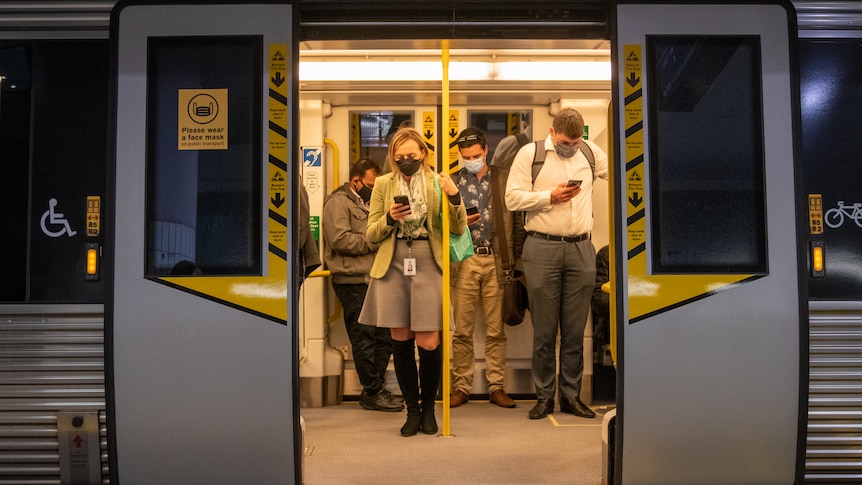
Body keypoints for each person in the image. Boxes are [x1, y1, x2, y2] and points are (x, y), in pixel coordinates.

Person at [358, 127, 468, 437]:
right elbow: (372, 234)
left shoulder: (438, 182)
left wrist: (454, 195)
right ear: (393, 157)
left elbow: (458, 227)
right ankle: (413, 410)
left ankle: (430, 409)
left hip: (427, 260)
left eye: (412, 155)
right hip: (394, 262)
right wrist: (391, 217)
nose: (407, 160)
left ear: (423, 154)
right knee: (401, 339)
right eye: (400, 156)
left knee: (429, 341)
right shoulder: (383, 184)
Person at [505, 107, 609, 420]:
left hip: (581, 248)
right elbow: (512, 198)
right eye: (565, 142)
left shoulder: (590, 152)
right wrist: (550, 196)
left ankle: (571, 396)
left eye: (575, 143)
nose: (570, 147)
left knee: (576, 330)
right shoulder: (530, 154)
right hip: (542, 247)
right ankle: (544, 397)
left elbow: (622, 171)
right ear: (552, 133)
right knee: (545, 332)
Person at [449, 127, 522, 409]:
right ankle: (461, 387)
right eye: (466, 156)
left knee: (495, 330)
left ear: (486, 150)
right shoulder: (452, 182)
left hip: (496, 260)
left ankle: (496, 386)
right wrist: (459, 224)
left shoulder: (503, 177)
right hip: (464, 259)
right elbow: (441, 223)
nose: (471, 160)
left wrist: (514, 262)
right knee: (462, 331)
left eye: (476, 155)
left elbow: (516, 220)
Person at [323, 158, 403, 412]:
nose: (372, 189)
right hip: (352, 280)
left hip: (376, 278)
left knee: (385, 337)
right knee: (364, 337)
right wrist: (375, 239)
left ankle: (375, 388)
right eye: (369, 184)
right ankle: (372, 391)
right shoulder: (337, 202)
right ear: (355, 180)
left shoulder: (372, 203)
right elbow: (340, 240)